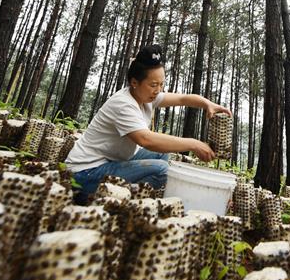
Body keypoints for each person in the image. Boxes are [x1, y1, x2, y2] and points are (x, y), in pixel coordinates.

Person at [66, 43, 231, 202]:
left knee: (162, 154)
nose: (158, 90)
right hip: (85, 172)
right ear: (134, 82)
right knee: (162, 170)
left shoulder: (146, 96)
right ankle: (111, 200)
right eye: (153, 85)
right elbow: (146, 140)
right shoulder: (123, 104)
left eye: (161, 84)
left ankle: (131, 194)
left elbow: (182, 98)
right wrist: (193, 144)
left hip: (110, 161)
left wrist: (207, 104)